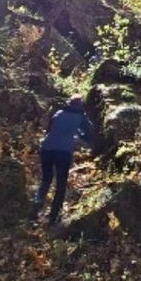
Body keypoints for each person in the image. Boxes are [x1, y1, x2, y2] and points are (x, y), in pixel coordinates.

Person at [32, 95, 96, 225]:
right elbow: (89, 133)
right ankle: (53, 217)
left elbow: (48, 131)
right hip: (63, 151)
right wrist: (80, 138)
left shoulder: (59, 113)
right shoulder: (81, 117)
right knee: (61, 184)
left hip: (47, 149)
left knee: (46, 180)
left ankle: (34, 211)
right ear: (81, 105)